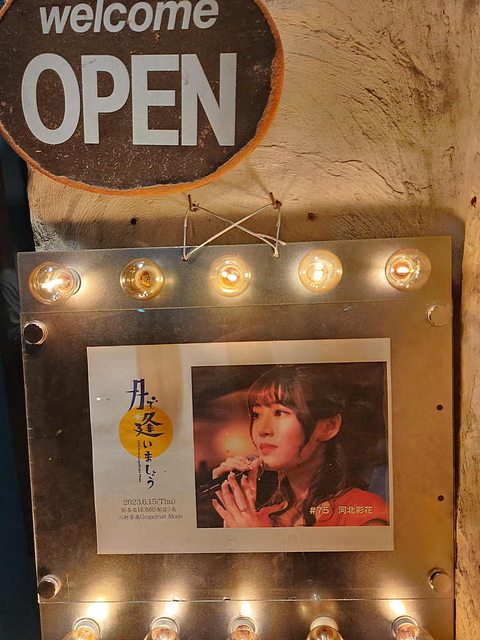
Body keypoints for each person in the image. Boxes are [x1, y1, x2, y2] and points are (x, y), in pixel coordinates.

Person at [211, 364, 388, 528]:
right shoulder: (261, 517)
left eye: (279, 413)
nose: (262, 430)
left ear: (328, 426)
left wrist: (255, 540)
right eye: (256, 415)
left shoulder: (362, 511)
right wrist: (237, 510)